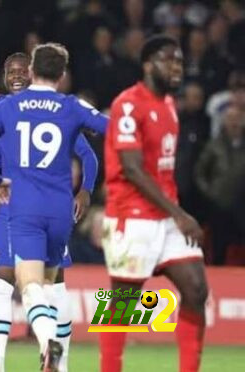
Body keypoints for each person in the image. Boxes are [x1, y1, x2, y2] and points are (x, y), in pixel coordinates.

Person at [0, 52, 99, 372]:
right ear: (3, 74)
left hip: (36, 204)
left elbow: (87, 155)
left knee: (53, 285)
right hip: (16, 207)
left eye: (21, 71)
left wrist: (85, 190)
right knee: (2, 281)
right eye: (9, 70)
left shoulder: (32, 109)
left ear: (32, 73)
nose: (15, 76)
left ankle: (60, 361)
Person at [100, 35, 207, 372]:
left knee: (196, 289)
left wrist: (173, 213)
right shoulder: (128, 104)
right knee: (123, 303)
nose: (177, 67)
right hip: (131, 217)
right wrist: (180, 214)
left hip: (165, 216)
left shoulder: (169, 105)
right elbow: (131, 168)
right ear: (148, 64)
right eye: (168, 60)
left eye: (179, 61)